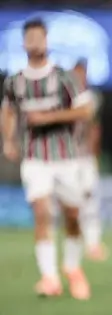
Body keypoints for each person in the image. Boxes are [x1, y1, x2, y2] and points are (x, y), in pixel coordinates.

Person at [1, 18, 93, 300]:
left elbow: (86, 110)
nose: (35, 43)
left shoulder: (64, 77)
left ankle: (73, 268)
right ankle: (49, 278)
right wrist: (8, 139)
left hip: (66, 157)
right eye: (30, 38)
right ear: (24, 43)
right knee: (42, 214)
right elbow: (8, 111)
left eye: (39, 38)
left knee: (72, 216)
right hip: (35, 159)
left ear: (47, 41)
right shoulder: (15, 81)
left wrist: (49, 117)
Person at [72, 58, 108, 262]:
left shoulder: (90, 98)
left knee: (90, 200)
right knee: (71, 202)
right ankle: (75, 244)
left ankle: (93, 244)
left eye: (82, 73)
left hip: (84, 158)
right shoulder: (63, 97)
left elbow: (94, 129)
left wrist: (94, 155)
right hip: (65, 157)